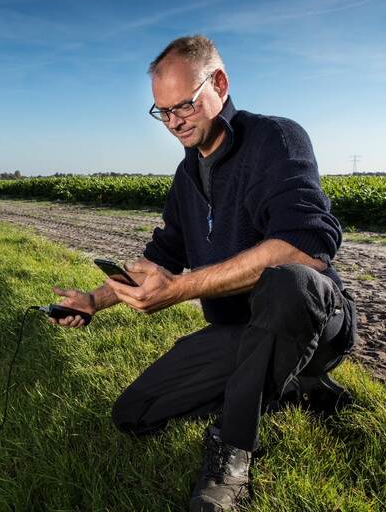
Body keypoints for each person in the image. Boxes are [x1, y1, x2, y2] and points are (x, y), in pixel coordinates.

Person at [49, 35, 357, 512]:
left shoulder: (276, 138)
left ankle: (232, 453)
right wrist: (94, 300)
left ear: (219, 82)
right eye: (162, 112)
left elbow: (306, 248)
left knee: (287, 280)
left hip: (314, 322)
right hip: (241, 333)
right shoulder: (187, 175)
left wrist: (182, 289)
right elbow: (163, 257)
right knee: (134, 414)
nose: (174, 123)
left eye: (183, 107)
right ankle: (291, 387)